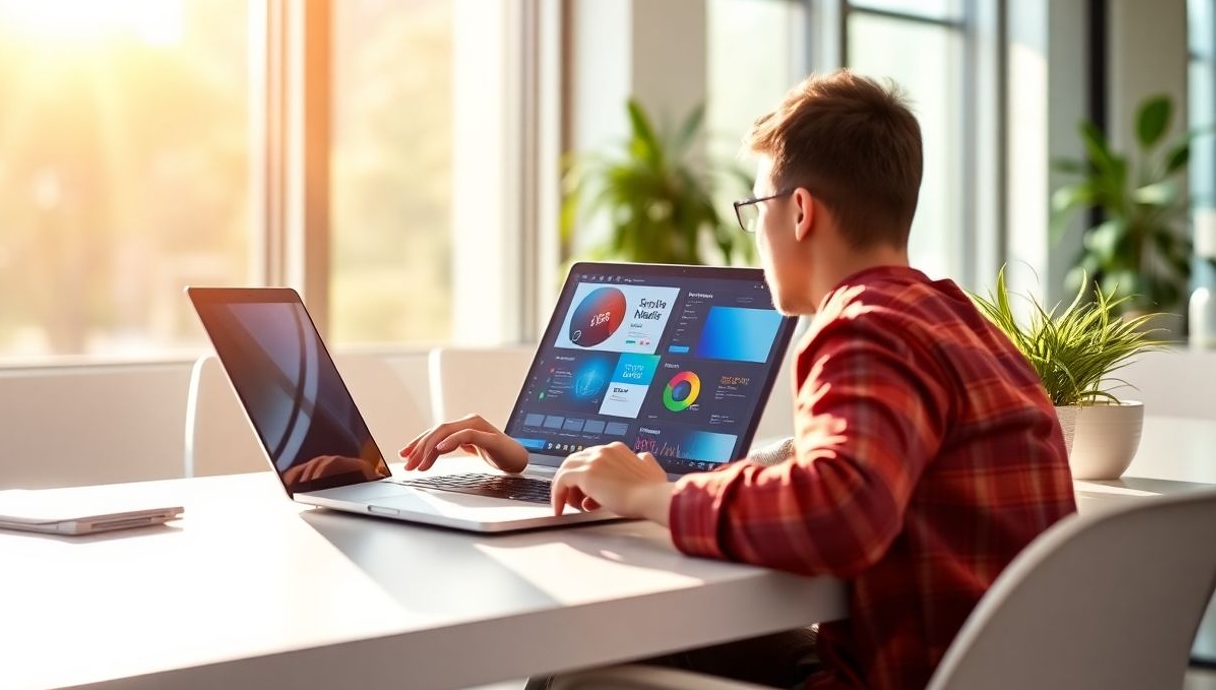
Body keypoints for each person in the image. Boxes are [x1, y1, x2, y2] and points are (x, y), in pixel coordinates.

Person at [399, 70, 1076, 690]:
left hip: (893, 679)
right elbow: (856, 475)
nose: (757, 232)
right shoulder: (959, 318)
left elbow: (841, 511)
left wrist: (657, 501)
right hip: (980, 668)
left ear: (802, 211)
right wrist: (552, 464)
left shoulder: (864, 326)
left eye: (757, 208)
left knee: (575, 676)